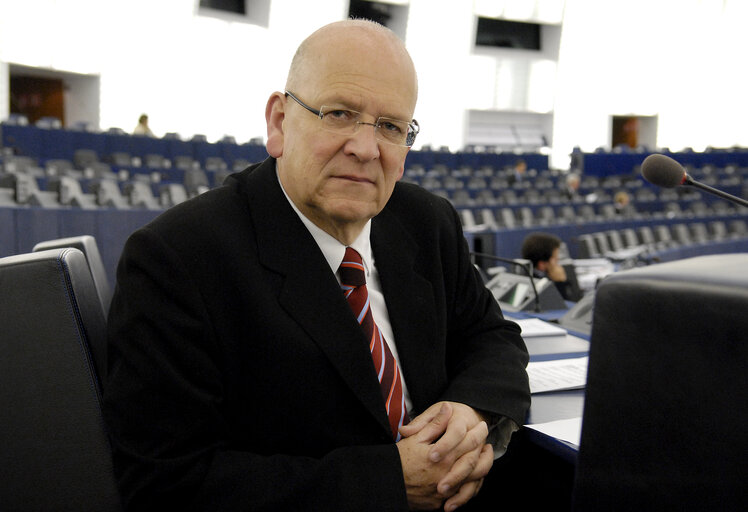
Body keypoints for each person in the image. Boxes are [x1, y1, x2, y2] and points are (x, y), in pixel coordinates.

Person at [103, 20, 530, 512]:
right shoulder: (179, 259)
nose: (366, 149)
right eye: (340, 114)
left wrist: (471, 410)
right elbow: (166, 484)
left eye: (391, 127)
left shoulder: (427, 222)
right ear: (279, 123)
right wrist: (388, 482)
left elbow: (492, 336)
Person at [521, 232, 580, 302]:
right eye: (555, 258)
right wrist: (560, 283)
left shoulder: (524, 275)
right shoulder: (542, 288)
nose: (558, 260)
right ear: (542, 265)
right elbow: (565, 306)